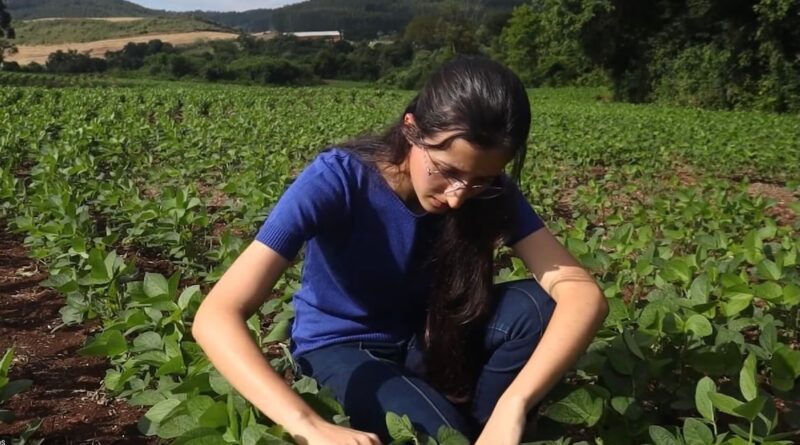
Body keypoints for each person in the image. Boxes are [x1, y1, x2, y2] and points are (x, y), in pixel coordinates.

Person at [192, 55, 608, 445]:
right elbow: (216, 315)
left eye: (481, 178)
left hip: (424, 339)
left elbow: (580, 293)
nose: (458, 196)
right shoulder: (337, 180)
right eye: (447, 171)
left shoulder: (489, 190)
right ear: (412, 129)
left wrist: (512, 406)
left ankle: (485, 424)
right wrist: (309, 425)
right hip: (343, 348)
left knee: (540, 308)